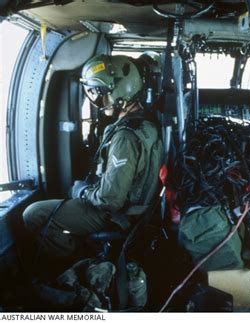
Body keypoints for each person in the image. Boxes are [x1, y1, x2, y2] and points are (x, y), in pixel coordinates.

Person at [22, 54, 163, 260]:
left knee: (34, 214)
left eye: (101, 93)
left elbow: (110, 200)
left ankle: (79, 262)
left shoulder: (125, 137)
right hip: (133, 209)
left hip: (116, 215)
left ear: (119, 91)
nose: (99, 101)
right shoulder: (146, 124)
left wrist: (83, 191)